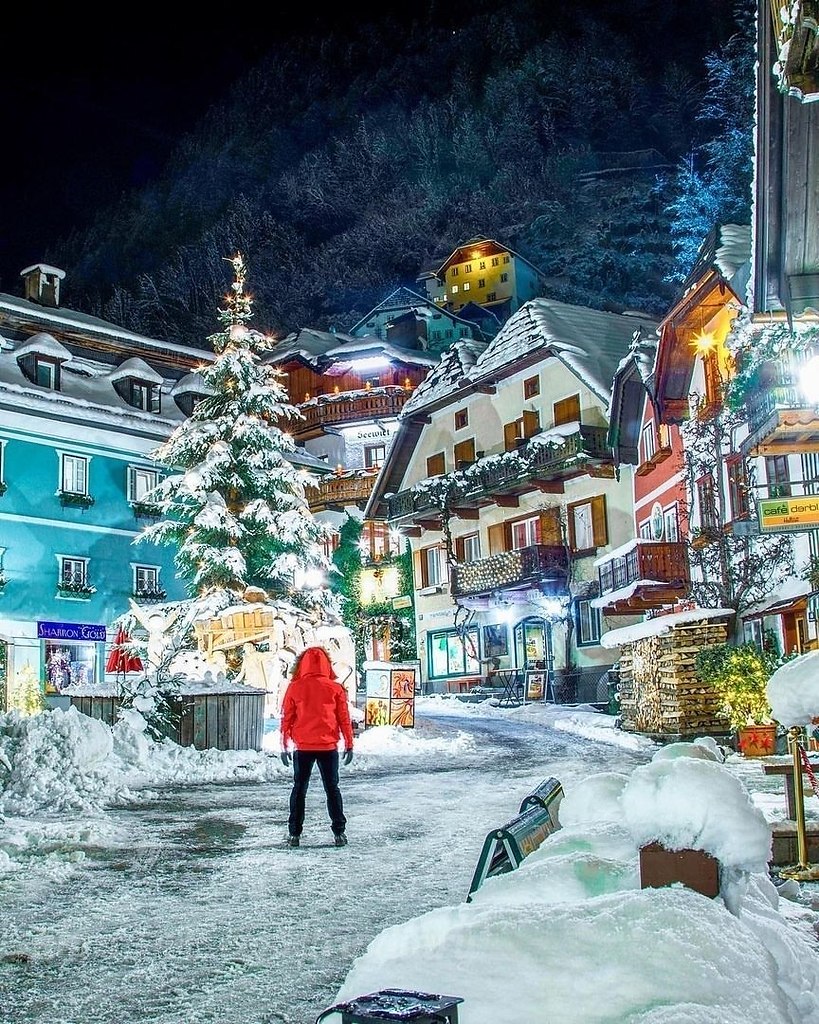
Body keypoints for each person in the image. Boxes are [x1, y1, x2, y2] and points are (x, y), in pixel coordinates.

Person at [280, 646, 354, 848]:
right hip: (328, 747)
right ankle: (339, 832)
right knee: (332, 789)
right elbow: (344, 719)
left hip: (302, 747)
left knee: (299, 790)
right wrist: (349, 743)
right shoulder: (335, 688)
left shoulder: (294, 688)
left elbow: (287, 717)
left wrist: (284, 744)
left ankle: (294, 834)